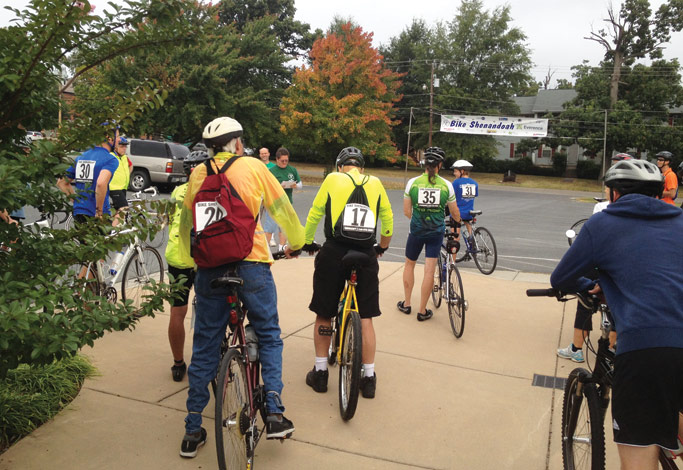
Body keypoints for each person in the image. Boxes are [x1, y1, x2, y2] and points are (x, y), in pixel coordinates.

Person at [177, 117, 304, 458]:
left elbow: (189, 224)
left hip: (210, 269)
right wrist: (297, 242)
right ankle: (274, 411)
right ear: (237, 142)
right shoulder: (253, 167)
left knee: (204, 344)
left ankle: (192, 430)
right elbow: (282, 209)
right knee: (268, 332)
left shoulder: (198, 174)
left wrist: (197, 260)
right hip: (252, 263)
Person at [550, 159, 683, 470]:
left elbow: (561, 279)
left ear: (613, 193)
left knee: (639, 456)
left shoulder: (603, 224)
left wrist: (593, 286)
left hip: (646, 346)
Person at [302, 147, 392, 398]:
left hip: (334, 252)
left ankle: (320, 373)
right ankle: (369, 376)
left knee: (324, 312)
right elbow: (388, 220)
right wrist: (381, 247)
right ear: (361, 168)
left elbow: (315, 213)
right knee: (366, 317)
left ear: (340, 166)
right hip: (365, 254)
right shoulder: (376, 183)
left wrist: (308, 241)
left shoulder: (332, 178)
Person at [557, 152, 631, 362]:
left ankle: (577, 348)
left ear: (615, 191)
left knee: (585, 298)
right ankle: (612, 350)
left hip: (602, 267)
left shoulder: (602, 208)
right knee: (619, 308)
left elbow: (591, 247)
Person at [398, 147, 460, 321]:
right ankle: (422, 310)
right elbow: (454, 212)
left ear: (424, 164)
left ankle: (407, 303)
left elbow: (406, 211)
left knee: (409, 264)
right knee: (429, 271)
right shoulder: (446, 185)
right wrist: (458, 222)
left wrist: (417, 219)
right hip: (436, 232)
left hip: (416, 231)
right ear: (440, 165)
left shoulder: (413, 183)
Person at [165, 149, 211, 382]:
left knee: (177, 310)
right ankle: (206, 362)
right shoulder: (212, 191)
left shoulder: (177, 191)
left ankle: (177, 363)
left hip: (178, 256)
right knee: (210, 311)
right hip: (205, 257)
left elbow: (169, 220)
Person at [56, 128, 119, 224]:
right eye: (117, 136)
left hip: (79, 212)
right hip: (97, 215)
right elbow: (101, 183)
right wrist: (99, 212)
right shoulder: (110, 159)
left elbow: (61, 182)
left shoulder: (81, 157)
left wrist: (76, 201)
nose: (119, 140)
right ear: (109, 138)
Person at [268, 147, 302, 250]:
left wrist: (296, 186)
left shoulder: (292, 170)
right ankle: (267, 248)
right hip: (274, 203)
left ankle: (281, 247)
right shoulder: (272, 171)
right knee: (270, 226)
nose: (284, 162)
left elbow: (300, 184)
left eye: (286, 160)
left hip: (287, 202)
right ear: (277, 159)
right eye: (282, 161)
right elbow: (268, 186)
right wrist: (279, 186)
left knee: (284, 226)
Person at [450, 159, 478, 237]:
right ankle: (472, 241)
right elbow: (474, 195)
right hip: (469, 212)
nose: (454, 173)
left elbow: (451, 197)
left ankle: (455, 245)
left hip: (458, 212)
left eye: (455, 171)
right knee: (469, 227)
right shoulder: (474, 183)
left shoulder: (456, 182)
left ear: (462, 171)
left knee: (455, 235)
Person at [108, 136, 132, 227]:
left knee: (118, 211)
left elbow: (131, 166)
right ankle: (112, 231)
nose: (124, 148)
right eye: (122, 146)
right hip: (114, 187)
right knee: (124, 208)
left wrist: (127, 175)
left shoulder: (125, 157)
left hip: (122, 187)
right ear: (116, 147)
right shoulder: (111, 156)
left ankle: (110, 227)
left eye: (125, 146)